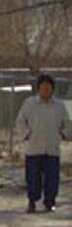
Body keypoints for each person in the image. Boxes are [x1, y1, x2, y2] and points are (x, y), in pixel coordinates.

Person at [15, 73, 71, 213]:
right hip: (34, 147)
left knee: (52, 179)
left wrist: (64, 134)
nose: (46, 90)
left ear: (52, 89)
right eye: (43, 87)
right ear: (38, 88)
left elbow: (67, 123)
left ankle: (50, 202)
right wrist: (26, 134)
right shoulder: (30, 103)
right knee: (33, 178)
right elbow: (20, 121)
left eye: (48, 87)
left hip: (52, 148)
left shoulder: (59, 106)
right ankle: (32, 201)